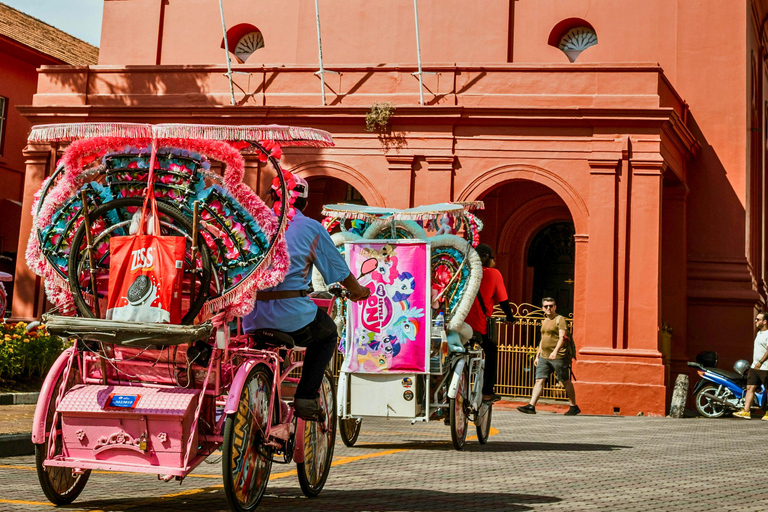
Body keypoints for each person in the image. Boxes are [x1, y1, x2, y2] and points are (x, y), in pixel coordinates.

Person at [243, 176, 370, 421]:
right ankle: (306, 397)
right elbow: (340, 272)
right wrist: (359, 291)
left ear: (272, 196)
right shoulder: (311, 228)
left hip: (252, 317)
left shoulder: (251, 224)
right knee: (328, 333)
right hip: (292, 317)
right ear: (305, 202)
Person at [464, 244, 514, 403]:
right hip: (478, 328)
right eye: (492, 258)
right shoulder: (494, 274)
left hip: (459, 326)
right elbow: (504, 301)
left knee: (456, 355)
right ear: (487, 257)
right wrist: (510, 317)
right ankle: (487, 392)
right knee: (491, 351)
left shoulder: (465, 272)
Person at [517, 297, 580, 416]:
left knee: (564, 380)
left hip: (558, 357)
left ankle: (573, 406)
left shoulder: (560, 319)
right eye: (546, 306)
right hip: (544, 357)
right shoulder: (545, 321)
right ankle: (531, 405)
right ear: (542, 308)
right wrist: (537, 355)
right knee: (539, 379)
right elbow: (543, 340)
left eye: (551, 306)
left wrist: (555, 351)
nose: (549, 308)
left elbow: (562, 337)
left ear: (555, 307)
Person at [733, 311, 768, 420]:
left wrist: (760, 362)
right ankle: (746, 411)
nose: (755, 321)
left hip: (765, 367)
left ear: (765, 321)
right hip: (755, 367)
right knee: (750, 387)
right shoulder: (759, 333)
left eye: (758, 319)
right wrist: (755, 364)